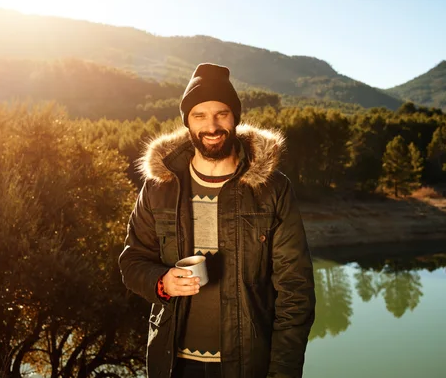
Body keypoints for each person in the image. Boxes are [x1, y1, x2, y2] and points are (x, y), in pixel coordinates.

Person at [119, 63, 315, 378]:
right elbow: (132, 261)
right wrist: (162, 282)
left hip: (247, 366)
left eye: (221, 114)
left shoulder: (272, 189)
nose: (211, 126)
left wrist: (282, 373)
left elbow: (296, 293)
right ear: (187, 123)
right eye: (199, 116)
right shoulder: (159, 188)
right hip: (173, 365)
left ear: (235, 117)